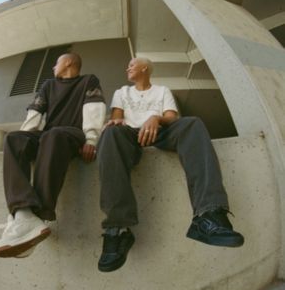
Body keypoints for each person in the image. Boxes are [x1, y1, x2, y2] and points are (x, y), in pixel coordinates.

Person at [97, 57, 244, 272]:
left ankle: (208, 215)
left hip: (160, 131)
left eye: (132, 64)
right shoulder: (121, 92)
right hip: (129, 136)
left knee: (192, 123)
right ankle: (117, 230)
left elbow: (171, 117)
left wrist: (155, 118)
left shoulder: (162, 90)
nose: (127, 67)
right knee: (110, 133)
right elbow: (117, 118)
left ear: (144, 68)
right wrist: (115, 123)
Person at [0, 53, 106, 258]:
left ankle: (39, 216)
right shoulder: (48, 85)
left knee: (53, 135)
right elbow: (35, 113)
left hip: (71, 134)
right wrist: (26, 137)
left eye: (57, 63)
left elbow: (94, 109)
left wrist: (91, 140)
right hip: (46, 137)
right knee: (13, 138)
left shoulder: (89, 81)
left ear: (69, 63)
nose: (53, 67)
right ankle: (23, 213)